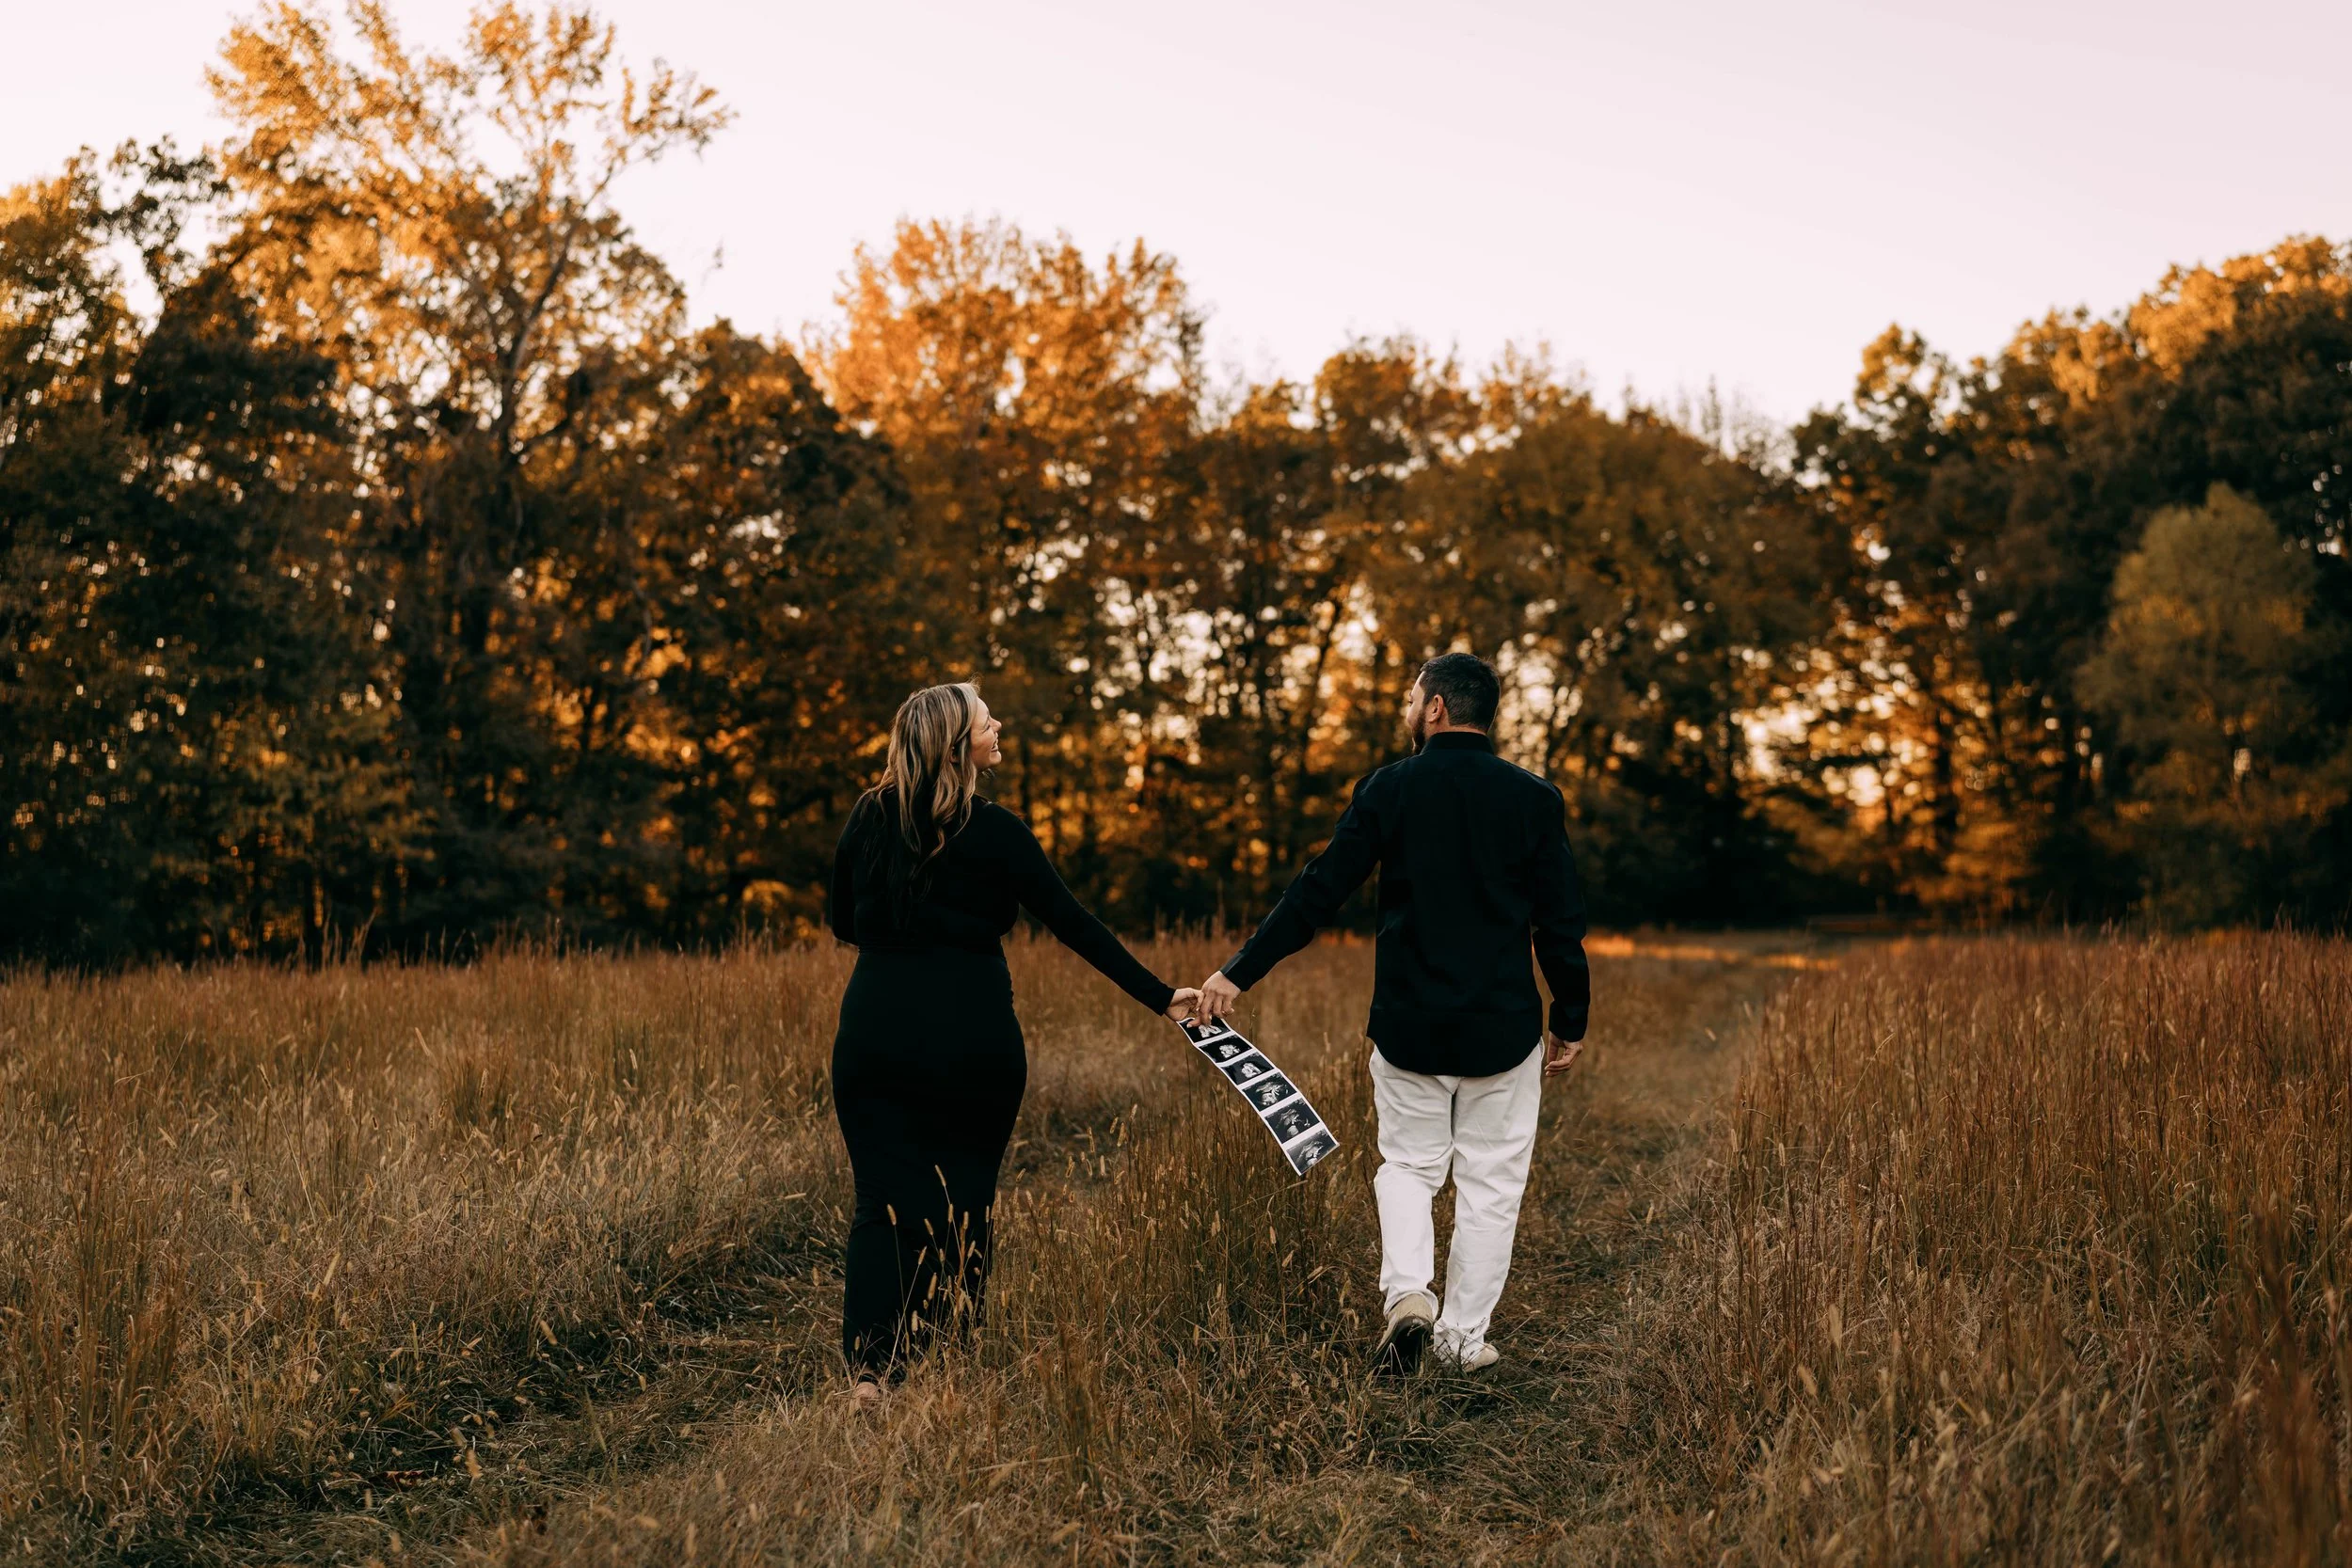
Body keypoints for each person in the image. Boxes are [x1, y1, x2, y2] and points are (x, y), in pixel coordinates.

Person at [1192, 651, 1589, 1374]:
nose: (1407, 708)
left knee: (1407, 1166)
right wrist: (1571, 1014)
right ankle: (1462, 1340)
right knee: (1492, 1185)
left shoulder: (1389, 789)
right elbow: (1558, 920)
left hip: (1409, 1025)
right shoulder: (1534, 797)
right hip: (1503, 1027)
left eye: (1412, 696)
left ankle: (1409, 1295)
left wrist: (1236, 973)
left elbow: (1317, 893)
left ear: (1436, 707)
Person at [829, 681, 1199, 1412]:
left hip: (875, 1032)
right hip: (974, 1039)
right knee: (965, 1199)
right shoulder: (996, 830)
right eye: (985, 718)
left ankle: (872, 1374)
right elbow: (1074, 922)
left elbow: (842, 917)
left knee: (881, 1202)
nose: (999, 723)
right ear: (958, 742)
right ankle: (947, 1364)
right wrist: (1160, 994)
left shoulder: (868, 818)